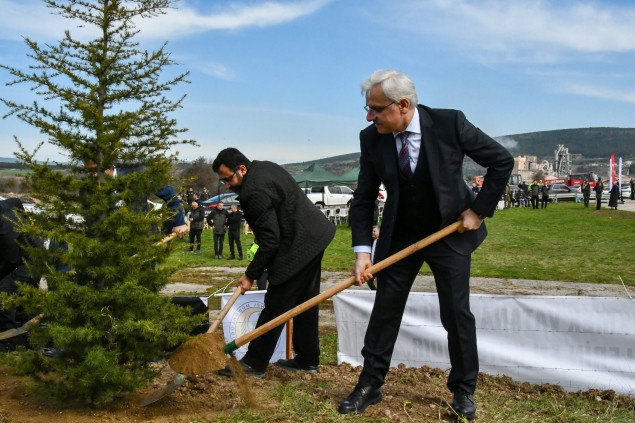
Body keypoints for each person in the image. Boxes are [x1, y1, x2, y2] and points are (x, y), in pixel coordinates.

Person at [340, 69, 513, 420]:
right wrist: (362, 252)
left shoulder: (449, 124)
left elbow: (501, 160)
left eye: (375, 108)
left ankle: (463, 390)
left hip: (449, 234)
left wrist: (478, 211)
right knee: (385, 310)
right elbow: (364, 198)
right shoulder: (372, 138)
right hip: (399, 236)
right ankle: (370, 385)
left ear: (403, 105)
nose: (369, 116)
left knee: (455, 313)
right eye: (367, 109)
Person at [212, 148, 335, 378]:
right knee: (305, 302)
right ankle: (308, 359)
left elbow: (270, 240)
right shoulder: (264, 167)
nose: (227, 185)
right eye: (223, 181)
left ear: (242, 169)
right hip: (314, 235)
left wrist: (250, 275)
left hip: (299, 243)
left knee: (277, 302)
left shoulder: (253, 191)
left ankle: (255, 363)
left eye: (228, 179)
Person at [0, 198, 42, 351]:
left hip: (29, 263)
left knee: (3, 297)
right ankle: (30, 340)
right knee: (24, 302)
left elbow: (10, 261)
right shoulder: (5, 206)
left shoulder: (6, 227)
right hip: (29, 255)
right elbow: (17, 201)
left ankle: (10, 344)